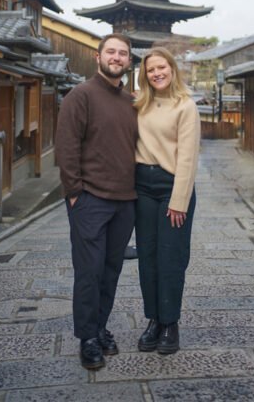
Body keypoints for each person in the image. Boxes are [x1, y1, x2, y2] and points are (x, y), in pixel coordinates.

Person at [55, 33, 138, 370]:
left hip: (124, 201)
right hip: (90, 199)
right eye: (111, 52)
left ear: (129, 61)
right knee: (88, 272)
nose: (116, 57)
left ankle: (101, 327)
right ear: (98, 57)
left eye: (123, 53)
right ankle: (87, 338)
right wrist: (75, 194)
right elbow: (66, 146)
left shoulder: (131, 101)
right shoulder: (81, 95)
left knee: (110, 271)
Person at [133, 47, 200, 355]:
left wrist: (179, 200)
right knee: (147, 257)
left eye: (162, 67)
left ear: (172, 70)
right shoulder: (139, 104)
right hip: (142, 187)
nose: (157, 73)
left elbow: (188, 157)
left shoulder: (185, 106)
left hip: (172, 185)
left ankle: (171, 323)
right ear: (144, 75)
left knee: (171, 257)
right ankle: (154, 320)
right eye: (150, 70)